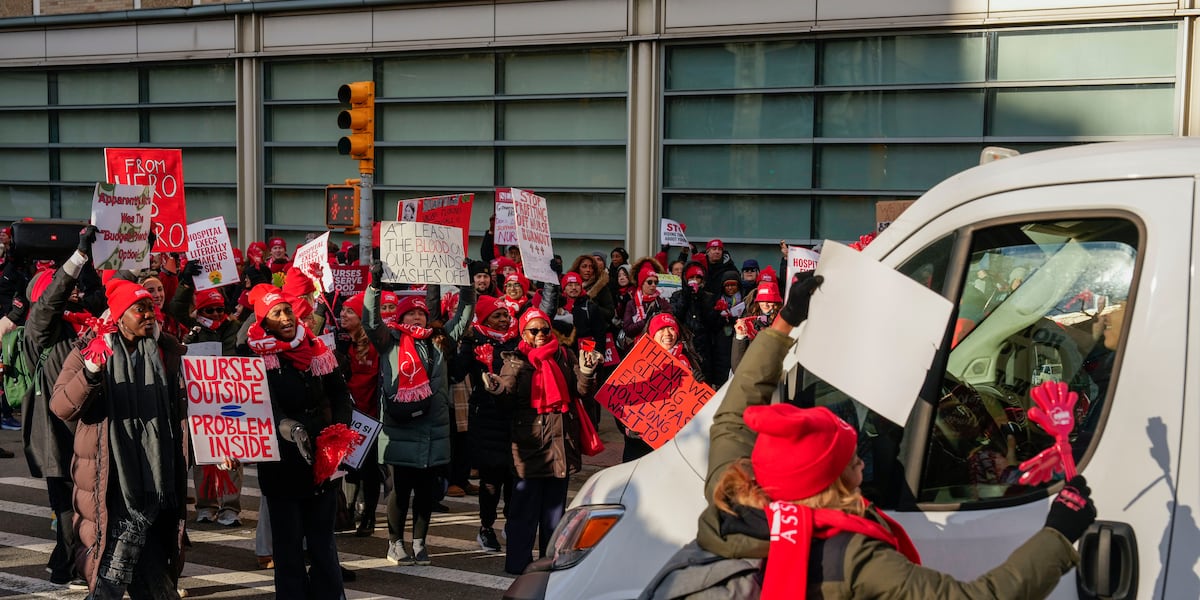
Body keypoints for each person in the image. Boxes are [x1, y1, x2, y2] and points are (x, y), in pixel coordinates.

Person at [641, 274, 1095, 599]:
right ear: (829, 485)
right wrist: (1057, 536)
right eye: (852, 463)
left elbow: (734, 415)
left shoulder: (729, 498)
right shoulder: (851, 557)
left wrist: (784, 323)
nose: (863, 464)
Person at [51, 278, 189, 598]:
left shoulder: (168, 352)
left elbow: (184, 414)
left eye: (151, 308)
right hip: (114, 486)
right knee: (112, 580)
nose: (149, 314)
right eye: (139, 309)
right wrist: (89, 373)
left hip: (159, 484)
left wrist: (218, 446)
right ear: (119, 315)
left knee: (153, 579)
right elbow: (60, 406)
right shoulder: (89, 348)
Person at [365, 263, 474, 567]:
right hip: (401, 427)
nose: (417, 317)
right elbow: (371, 321)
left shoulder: (439, 342)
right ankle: (395, 542)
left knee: (426, 492)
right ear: (400, 318)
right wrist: (374, 288)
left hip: (433, 427)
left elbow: (463, 317)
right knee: (401, 490)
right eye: (410, 313)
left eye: (421, 313)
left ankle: (420, 542)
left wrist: (467, 286)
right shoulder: (390, 342)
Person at [245, 283, 351, 599]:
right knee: (288, 546)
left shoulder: (317, 347)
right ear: (264, 323)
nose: (286, 318)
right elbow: (264, 407)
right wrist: (289, 428)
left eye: (287, 310)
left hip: (323, 459)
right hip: (282, 463)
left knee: (322, 542)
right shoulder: (253, 356)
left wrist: (340, 431)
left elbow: (339, 394)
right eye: (276, 314)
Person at [482, 308, 602, 574]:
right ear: (523, 333)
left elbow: (581, 391)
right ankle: (517, 565)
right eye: (533, 330)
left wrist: (587, 371)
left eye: (544, 330)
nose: (540, 335)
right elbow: (507, 399)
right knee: (523, 513)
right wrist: (496, 388)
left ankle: (551, 563)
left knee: (554, 516)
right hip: (529, 444)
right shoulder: (515, 360)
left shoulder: (565, 354)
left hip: (560, 443)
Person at [22, 226, 104, 589]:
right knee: (68, 507)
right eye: (63, 287)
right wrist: (78, 257)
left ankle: (64, 562)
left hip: (88, 432)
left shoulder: (81, 325)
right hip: (56, 435)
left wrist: (129, 258)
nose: (71, 292)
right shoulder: (39, 330)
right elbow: (50, 301)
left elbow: (110, 301)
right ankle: (67, 569)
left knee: (87, 504)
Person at [452, 295, 518, 553]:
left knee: (514, 476)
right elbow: (457, 371)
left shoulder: (515, 341)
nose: (503, 320)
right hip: (486, 418)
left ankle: (511, 521)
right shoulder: (473, 339)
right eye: (496, 316)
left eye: (505, 315)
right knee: (491, 479)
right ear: (484, 318)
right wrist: (463, 347)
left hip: (512, 418)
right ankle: (486, 527)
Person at [622, 313, 706, 463]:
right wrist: (627, 427)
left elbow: (699, 406)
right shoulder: (636, 361)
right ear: (652, 335)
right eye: (661, 329)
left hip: (678, 443)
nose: (667, 334)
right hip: (641, 444)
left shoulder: (689, 361)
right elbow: (620, 400)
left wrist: (699, 384)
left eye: (671, 329)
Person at [731, 280, 784, 372]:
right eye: (762, 300)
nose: (765, 304)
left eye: (769, 301)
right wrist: (740, 337)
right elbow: (737, 367)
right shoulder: (749, 322)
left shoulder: (783, 322)